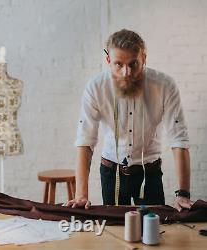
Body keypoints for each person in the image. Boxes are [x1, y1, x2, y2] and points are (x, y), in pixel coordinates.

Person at [64, 29, 193, 212]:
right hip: (112, 172)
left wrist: (183, 194)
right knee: (115, 232)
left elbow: (179, 139)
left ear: (144, 58)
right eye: (118, 64)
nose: (126, 72)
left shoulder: (165, 86)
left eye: (134, 64)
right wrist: (81, 195)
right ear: (108, 60)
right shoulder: (95, 87)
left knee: (156, 230)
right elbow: (85, 141)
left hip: (150, 172)